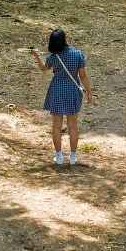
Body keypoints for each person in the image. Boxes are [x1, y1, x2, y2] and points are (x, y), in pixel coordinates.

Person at [30, 28, 93, 166]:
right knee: (73, 126)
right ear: (64, 39)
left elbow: (43, 69)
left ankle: (59, 156)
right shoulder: (77, 55)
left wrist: (36, 57)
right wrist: (89, 92)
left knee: (56, 127)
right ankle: (73, 157)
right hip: (72, 91)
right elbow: (83, 76)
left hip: (57, 91)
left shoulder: (53, 57)